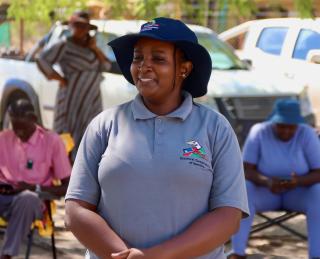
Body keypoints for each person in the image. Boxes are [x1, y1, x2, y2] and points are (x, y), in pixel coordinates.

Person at [65, 17, 249, 259]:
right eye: (138, 57)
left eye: (158, 59)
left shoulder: (215, 129)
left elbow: (228, 216)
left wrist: (154, 256)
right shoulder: (105, 125)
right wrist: (125, 256)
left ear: (184, 68)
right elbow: (75, 210)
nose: (144, 66)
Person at [229, 99, 320, 259]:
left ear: (298, 124)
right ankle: (238, 253)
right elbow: (245, 170)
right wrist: (267, 181)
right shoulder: (259, 131)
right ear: (273, 122)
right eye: (281, 126)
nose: (286, 131)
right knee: (243, 189)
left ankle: (316, 255)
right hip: (265, 191)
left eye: (290, 127)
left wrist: (297, 181)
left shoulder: (307, 133)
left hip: (298, 193)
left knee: (318, 192)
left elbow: (318, 172)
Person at [0, 99, 71, 259]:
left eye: (22, 129)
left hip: (32, 200)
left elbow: (68, 186)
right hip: (4, 195)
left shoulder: (51, 141)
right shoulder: (3, 139)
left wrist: (34, 188)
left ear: (33, 119)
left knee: (28, 198)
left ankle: (6, 255)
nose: (18, 133)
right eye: (14, 127)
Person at [37, 10, 111, 160]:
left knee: (91, 131)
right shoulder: (64, 45)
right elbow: (42, 59)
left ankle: (86, 168)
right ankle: (65, 171)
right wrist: (60, 79)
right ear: (71, 26)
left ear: (88, 29)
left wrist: (95, 48)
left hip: (92, 98)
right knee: (69, 132)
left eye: (84, 26)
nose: (80, 29)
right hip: (72, 97)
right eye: (77, 25)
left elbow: (107, 66)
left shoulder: (91, 48)